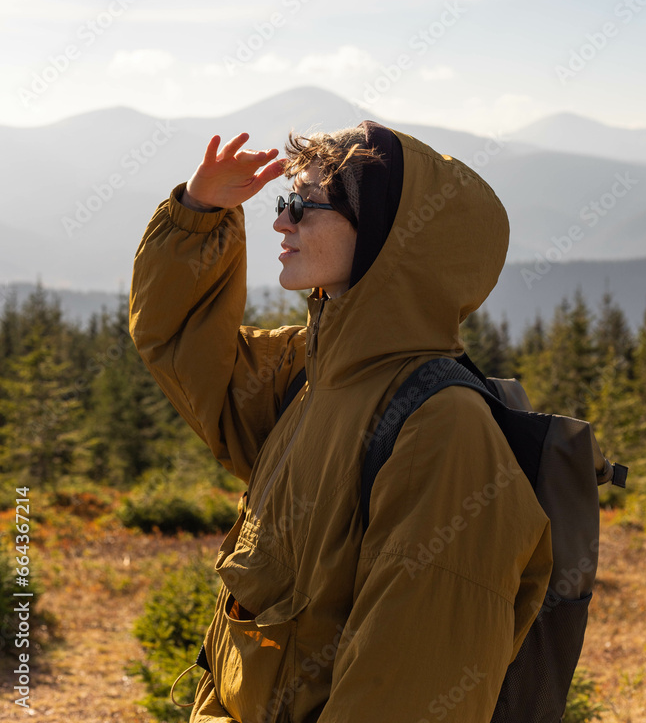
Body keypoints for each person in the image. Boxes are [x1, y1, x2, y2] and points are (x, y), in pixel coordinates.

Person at [129, 119, 552, 723]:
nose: (281, 221)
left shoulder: (443, 431)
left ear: (387, 235)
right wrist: (199, 213)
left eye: (303, 206)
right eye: (283, 201)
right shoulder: (313, 373)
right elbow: (186, 353)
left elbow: (405, 699)